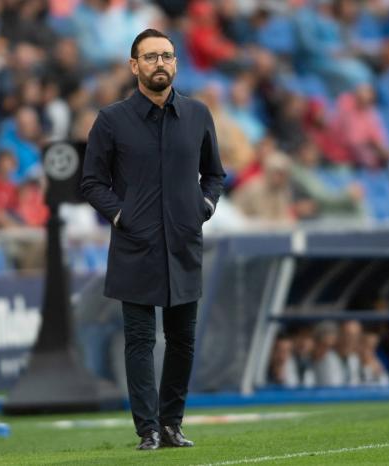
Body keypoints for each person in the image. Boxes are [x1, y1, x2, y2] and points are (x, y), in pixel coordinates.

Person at [81, 28, 225, 450]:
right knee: (140, 341)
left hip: (183, 244)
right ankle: (147, 430)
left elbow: (214, 174)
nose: (159, 63)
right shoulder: (111, 120)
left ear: (176, 63)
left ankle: (172, 424)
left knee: (182, 340)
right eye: (150, 57)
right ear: (134, 66)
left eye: (166, 56)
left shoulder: (198, 115)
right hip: (135, 246)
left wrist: (206, 206)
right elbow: (92, 182)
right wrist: (122, 214)